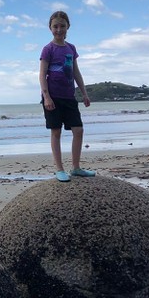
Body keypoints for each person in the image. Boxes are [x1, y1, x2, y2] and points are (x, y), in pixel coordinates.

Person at [39, 10, 95, 182]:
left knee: (78, 130)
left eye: (62, 26)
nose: (59, 30)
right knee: (56, 132)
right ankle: (59, 169)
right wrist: (46, 97)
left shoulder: (71, 48)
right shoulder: (48, 49)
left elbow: (76, 72)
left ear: (68, 27)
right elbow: (42, 75)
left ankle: (76, 168)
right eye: (55, 26)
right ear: (50, 28)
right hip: (53, 97)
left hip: (69, 97)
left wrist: (84, 93)